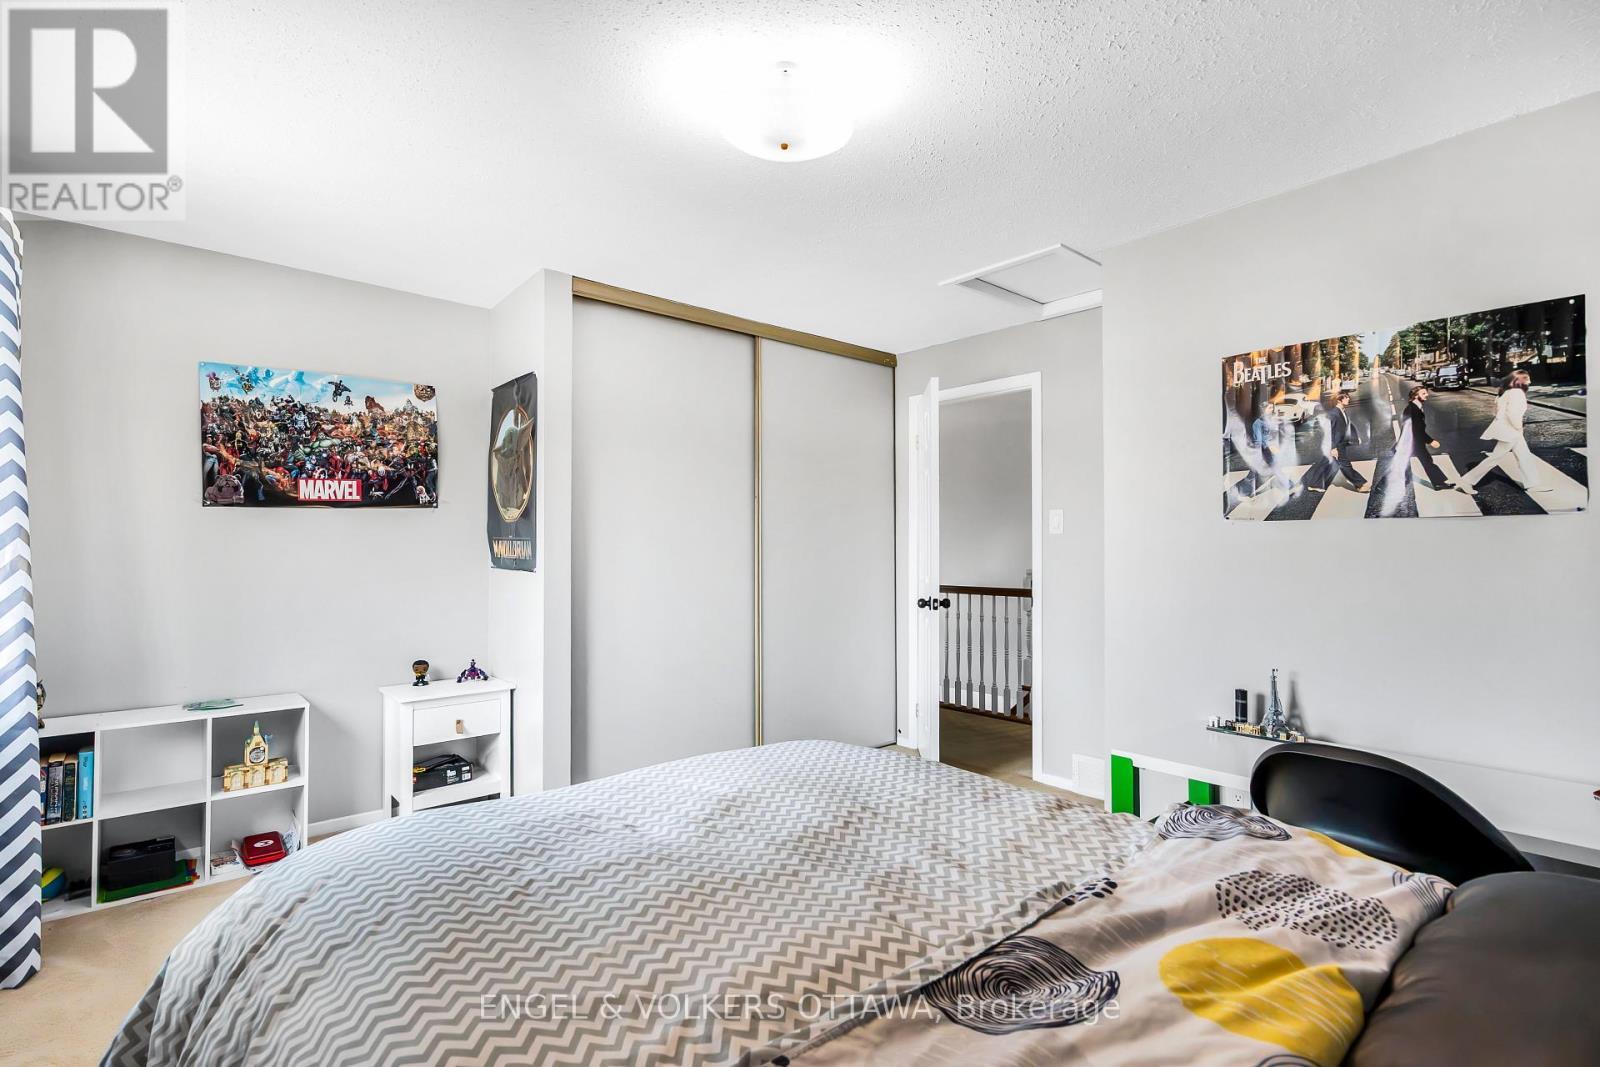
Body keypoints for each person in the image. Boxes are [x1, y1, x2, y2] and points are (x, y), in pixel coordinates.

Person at [1455, 370, 1548, 495]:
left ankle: (1533, 484)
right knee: (1495, 458)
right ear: (1518, 381)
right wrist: (1518, 427)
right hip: (1511, 431)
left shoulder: (1505, 392)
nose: (1530, 381)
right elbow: (1512, 414)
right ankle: (1467, 481)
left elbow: (1496, 412)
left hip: (1507, 429)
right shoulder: (1517, 392)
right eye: (1526, 379)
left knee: (1524, 456)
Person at [1303, 391, 1369, 493]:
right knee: (1345, 464)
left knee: (1326, 462)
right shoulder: (1333, 414)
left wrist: (1355, 438)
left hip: (1341, 441)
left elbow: (1348, 425)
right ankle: (1360, 484)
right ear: (1339, 400)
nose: (1348, 399)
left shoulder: (1342, 411)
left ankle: (1314, 484)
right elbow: (1329, 432)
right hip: (1337, 444)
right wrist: (1333, 447)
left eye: (1348, 397)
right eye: (1345, 397)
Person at [1400, 385, 1454, 490]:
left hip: (1413, 441)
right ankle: (1384, 485)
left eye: (1426, 393)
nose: (1427, 395)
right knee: (1423, 461)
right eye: (1423, 393)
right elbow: (1416, 430)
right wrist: (1430, 441)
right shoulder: (1413, 409)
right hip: (1411, 441)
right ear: (1416, 396)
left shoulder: (1415, 407)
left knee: (1426, 461)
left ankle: (1439, 483)